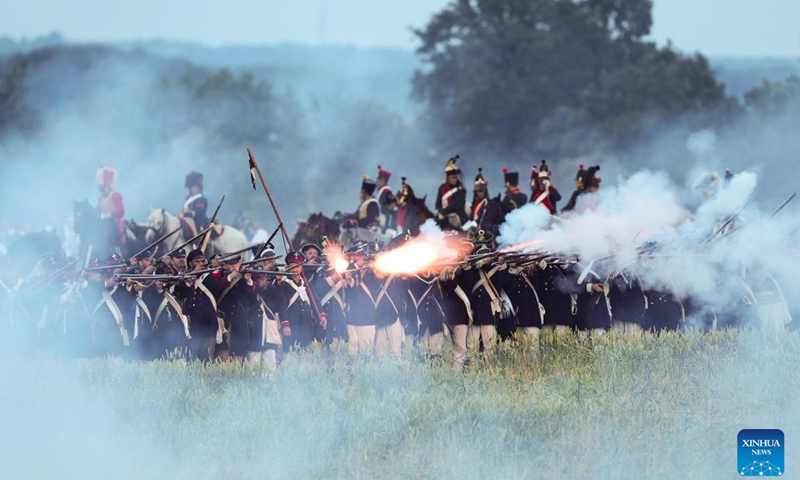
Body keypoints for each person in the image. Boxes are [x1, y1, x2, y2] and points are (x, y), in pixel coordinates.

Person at [95, 166, 126, 247]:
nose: (98, 187)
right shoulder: (101, 197)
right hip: (103, 226)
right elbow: (97, 211)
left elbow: (121, 211)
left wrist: (109, 215)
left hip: (116, 225)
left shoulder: (115, 195)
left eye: (100, 185)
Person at [434, 155, 468, 229]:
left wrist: (443, 212)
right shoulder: (442, 188)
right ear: (447, 178)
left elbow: (455, 206)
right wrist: (439, 211)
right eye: (453, 177)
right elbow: (438, 203)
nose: (455, 179)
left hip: (457, 215)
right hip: (443, 214)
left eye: (456, 177)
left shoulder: (461, 190)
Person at [178, 171, 209, 237]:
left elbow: (199, 212)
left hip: (198, 222)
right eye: (193, 188)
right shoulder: (187, 199)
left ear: (199, 188)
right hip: (187, 220)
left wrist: (187, 214)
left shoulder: (201, 199)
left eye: (196, 187)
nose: (194, 189)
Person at [376, 165, 398, 233]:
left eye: (378, 180)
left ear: (383, 181)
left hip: (386, 219)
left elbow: (393, 203)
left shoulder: (386, 191)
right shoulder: (382, 190)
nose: (376, 181)